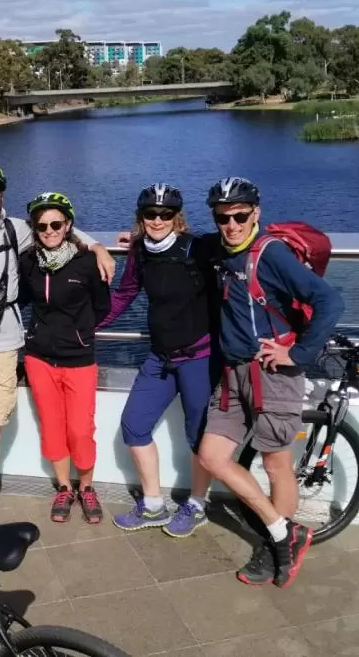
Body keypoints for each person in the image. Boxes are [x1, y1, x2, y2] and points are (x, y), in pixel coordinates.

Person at [0, 162, 116, 524]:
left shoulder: (20, 230)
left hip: (8, 346)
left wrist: (99, 247)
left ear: (2, 197)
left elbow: (59, 223)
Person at [197, 176, 344, 589]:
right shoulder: (219, 251)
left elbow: (330, 301)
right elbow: (175, 240)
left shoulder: (271, 255)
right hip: (232, 375)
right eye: (222, 218)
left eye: (240, 216)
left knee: (275, 463)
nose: (231, 225)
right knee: (212, 457)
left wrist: (296, 354)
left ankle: (274, 543)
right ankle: (285, 533)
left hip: (273, 374)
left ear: (256, 213)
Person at [98, 183, 220, 538]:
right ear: (141, 217)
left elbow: (241, 247)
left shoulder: (198, 248)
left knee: (199, 436)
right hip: (160, 357)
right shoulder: (140, 251)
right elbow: (124, 293)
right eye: (150, 214)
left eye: (166, 214)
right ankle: (153, 505)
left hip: (199, 356)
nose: (158, 220)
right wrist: (89, 326)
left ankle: (197, 504)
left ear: (177, 216)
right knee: (134, 425)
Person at [18, 191, 111, 524]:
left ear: (68, 224)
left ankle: (86, 487)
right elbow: (22, 300)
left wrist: (79, 333)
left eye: (56, 223)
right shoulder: (28, 260)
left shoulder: (87, 262)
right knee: (53, 428)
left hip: (79, 358)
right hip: (39, 357)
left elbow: (103, 306)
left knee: (81, 430)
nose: (49, 230)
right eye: (42, 225)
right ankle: (63, 487)